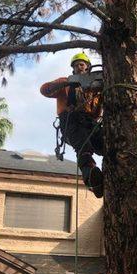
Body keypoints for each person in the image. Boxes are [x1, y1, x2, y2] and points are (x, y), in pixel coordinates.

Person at [40, 53, 104, 198]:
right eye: (76, 65)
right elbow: (44, 90)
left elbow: (96, 113)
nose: (79, 67)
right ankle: (91, 176)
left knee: (106, 144)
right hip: (71, 122)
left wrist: (101, 93)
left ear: (88, 66)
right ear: (73, 69)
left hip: (90, 123)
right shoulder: (66, 82)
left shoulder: (95, 87)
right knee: (83, 146)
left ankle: (108, 174)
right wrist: (66, 83)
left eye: (81, 64)